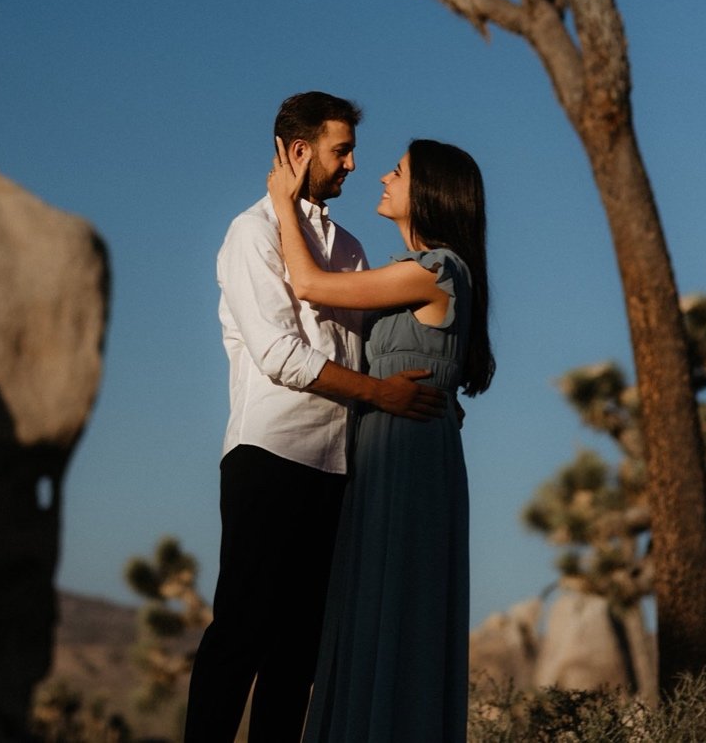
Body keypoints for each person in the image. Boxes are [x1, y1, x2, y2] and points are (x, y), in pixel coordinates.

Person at [184, 92, 449, 743]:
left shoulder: (352, 248)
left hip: (338, 470)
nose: (354, 164)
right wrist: (379, 394)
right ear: (299, 153)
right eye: (342, 150)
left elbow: (368, 345)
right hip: (269, 454)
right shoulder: (251, 233)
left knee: (299, 654)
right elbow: (279, 354)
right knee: (241, 632)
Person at [267, 133, 496, 743]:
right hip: (394, 440)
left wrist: (283, 203)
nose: (383, 178)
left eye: (397, 171)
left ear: (428, 193)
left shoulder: (435, 269)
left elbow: (311, 285)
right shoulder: (427, 272)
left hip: (406, 448)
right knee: (380, 597)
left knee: (399, 601)